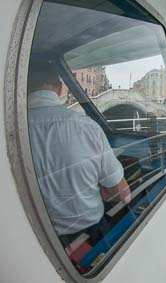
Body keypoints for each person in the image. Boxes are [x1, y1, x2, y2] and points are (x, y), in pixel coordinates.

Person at [27, 60, 131, 247]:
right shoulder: (86, 127)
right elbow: (122, 195)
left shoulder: (10, 130)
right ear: (59, 88)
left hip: (33, 239)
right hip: (89, 233)